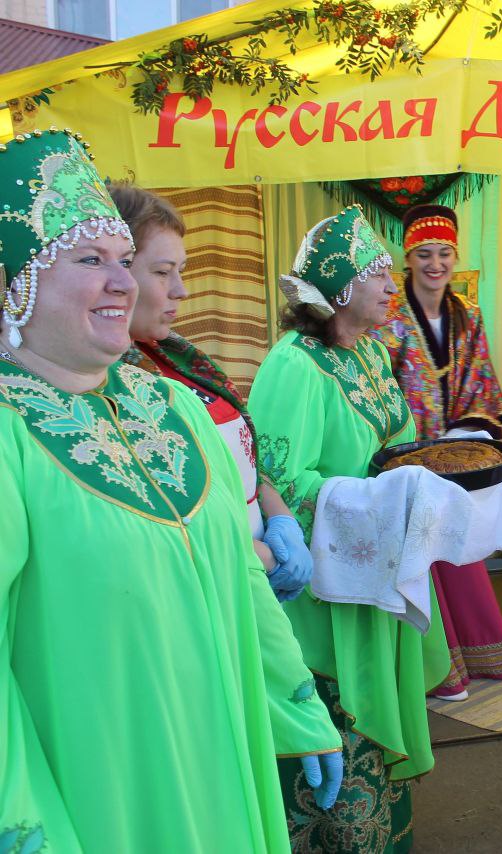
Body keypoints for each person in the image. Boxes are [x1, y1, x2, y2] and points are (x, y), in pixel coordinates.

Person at [0, 131, 338, 851]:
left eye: (124, 260)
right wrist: (22, 822)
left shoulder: (175, 405)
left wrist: (295, 701)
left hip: (225, 762)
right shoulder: (8, 434)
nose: (123, 283)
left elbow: (240, 574)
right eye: (90, 260)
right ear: (16, 281)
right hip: (102, 799)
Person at [110, 182, 344, 806]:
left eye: (181, 271)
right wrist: (260, 556)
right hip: (211, 596)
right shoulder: (113, 386)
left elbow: (248, 456)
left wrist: (277, 517)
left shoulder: (180, 358)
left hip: (248, 577)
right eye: (163, 272)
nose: (181, 291)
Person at [247, 205, 451, 853]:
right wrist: (374, 498)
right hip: (323, 589)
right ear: (339, 288)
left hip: (376, 566)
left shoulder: (367, 352)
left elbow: (396, 444)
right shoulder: (294, 364)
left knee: (370, 717)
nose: (393, 285)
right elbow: (276, 478)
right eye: (377, 273)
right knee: (333, 717)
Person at [371, 204, 502, 700]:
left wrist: (466, 434)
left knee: (457, 550)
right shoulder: (389, 318)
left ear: (455, 257)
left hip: (454, 453)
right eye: (424, 254)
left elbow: (480, 376)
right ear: (408, 259)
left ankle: (476, 654)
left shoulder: (467, 313)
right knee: (419, 555)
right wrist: (406, 444)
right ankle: (435, 666)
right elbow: (378, 385)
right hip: (404, 457)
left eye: (444, 254)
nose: (435, 264)